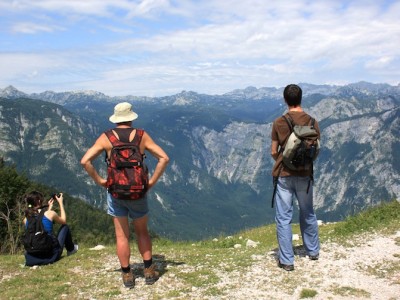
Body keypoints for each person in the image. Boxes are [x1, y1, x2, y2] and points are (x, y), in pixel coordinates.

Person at [80, 102, 169, 288]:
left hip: (115, 193)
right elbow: (164, 158)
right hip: (138, 192)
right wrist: (151, 182)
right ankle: (149, 271)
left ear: (116, 118)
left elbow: (85, 161)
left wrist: (100, 181)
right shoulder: (141, 136)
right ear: (131, 117)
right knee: (142, 232)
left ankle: (127, 275)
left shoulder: (106, 138)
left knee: (122, 236)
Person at [270, 84, 320, 271]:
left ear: (285, 100)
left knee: (284, 217)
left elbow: (274, 151)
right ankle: (313, 251)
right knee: (308, 212)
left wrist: (284, 160)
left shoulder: (279, 122)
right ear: (301, 99)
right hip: (305, 175)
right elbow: (315, 148)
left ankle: (287, 261)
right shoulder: (313, 122)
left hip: (284, 175)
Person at [23, 191, 78, 266]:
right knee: (65, 227)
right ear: (39, 200)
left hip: (32, 258)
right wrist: (60, 203)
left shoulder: (26, 219)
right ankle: (71, 249)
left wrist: (49, 208)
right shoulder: (50, 214)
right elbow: (63, 221)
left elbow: (39, 221)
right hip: (51, 255)